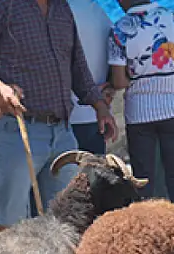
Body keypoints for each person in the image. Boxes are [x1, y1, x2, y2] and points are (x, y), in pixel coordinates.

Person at [0, 0, 117, 226]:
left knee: (68, 219)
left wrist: (100, 106)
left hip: (62, 132)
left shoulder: (61, 8)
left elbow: (77, 65)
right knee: (11, 220)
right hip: (16, 130)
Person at [108, 0, 174, 204]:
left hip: (139, 112)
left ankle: (147, 227)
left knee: (142, 181)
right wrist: (168, 75)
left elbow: (119, 81)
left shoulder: (120, 29)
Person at [68, 0, 114, 155]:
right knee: (93, 174)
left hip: (64, 117)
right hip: (97, 112)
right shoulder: (102, 14)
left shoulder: (58, 12)